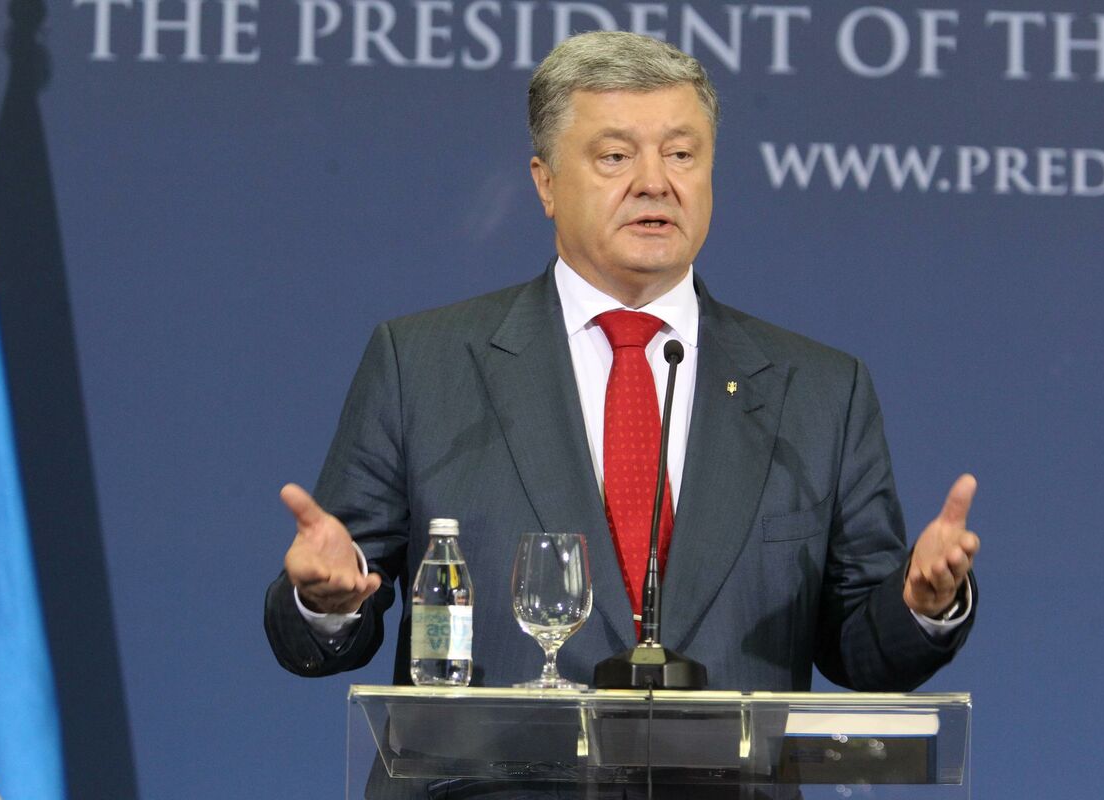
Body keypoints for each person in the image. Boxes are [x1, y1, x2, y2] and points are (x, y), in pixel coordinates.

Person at [265, 29, 978, 698]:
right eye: (614, 156)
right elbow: (333, 614)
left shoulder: (820, 391)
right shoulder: (423, 365)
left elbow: (864, 646)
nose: (654, 182)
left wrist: (921, 605)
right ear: (545, 183)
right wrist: (324, 600)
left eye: (681, 155)